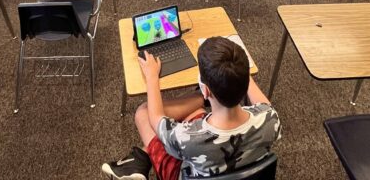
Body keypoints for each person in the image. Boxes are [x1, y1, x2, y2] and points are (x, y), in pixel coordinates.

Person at [102, 36, 281, 180]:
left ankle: (139, 160)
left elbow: (155, 117)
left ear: (206, 90)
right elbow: (259, 97)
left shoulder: (187, 138)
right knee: (196, 114)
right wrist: (236, 69)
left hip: (185, 173)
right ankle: (137, 162)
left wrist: (151, 77)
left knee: (142, 112)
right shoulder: (270, 118)